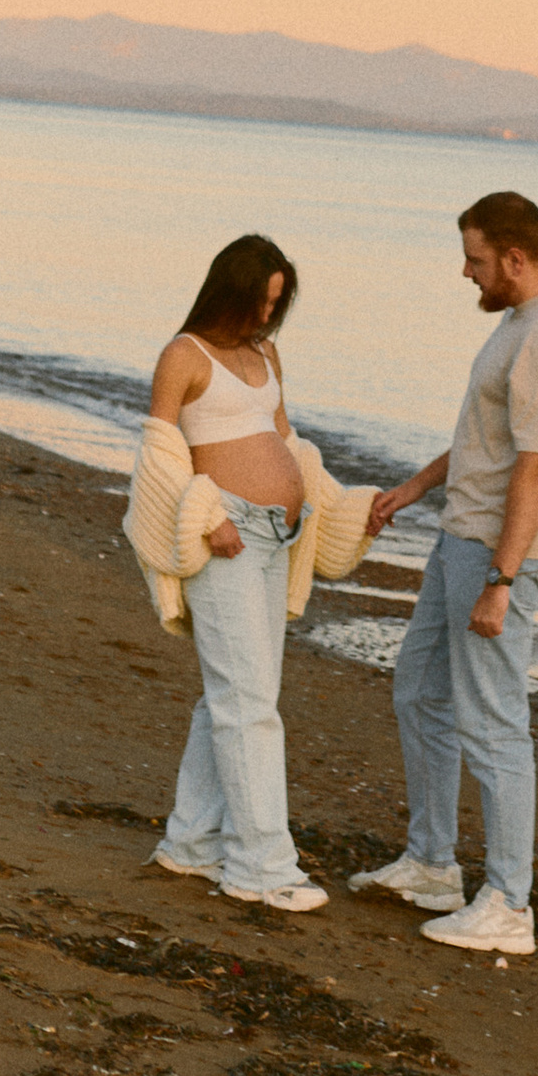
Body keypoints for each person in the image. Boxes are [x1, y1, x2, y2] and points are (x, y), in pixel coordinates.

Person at [351, 190, 538, 956]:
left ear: (515, 258)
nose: (467, 273)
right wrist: (416, 488)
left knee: (493, 724)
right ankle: (430, 864)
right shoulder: (519, 325)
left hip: (497, 557)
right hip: (462, 540)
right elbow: (488, 441)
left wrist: (502, 579)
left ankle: (509, 906)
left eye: (476, 259)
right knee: (421, 691)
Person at [127, 233, 332, 914]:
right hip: (225, 539)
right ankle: (260, 867)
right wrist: (204, 512)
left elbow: (282, 436)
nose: (266, 318)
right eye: (259, 302)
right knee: (248, 706)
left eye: (277, 305)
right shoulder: (183, 355)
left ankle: (189, 843)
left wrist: (321, 503)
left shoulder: (266, 353)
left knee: (236, 695)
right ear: (230, 291)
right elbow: (159, 453)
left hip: (276, 536)